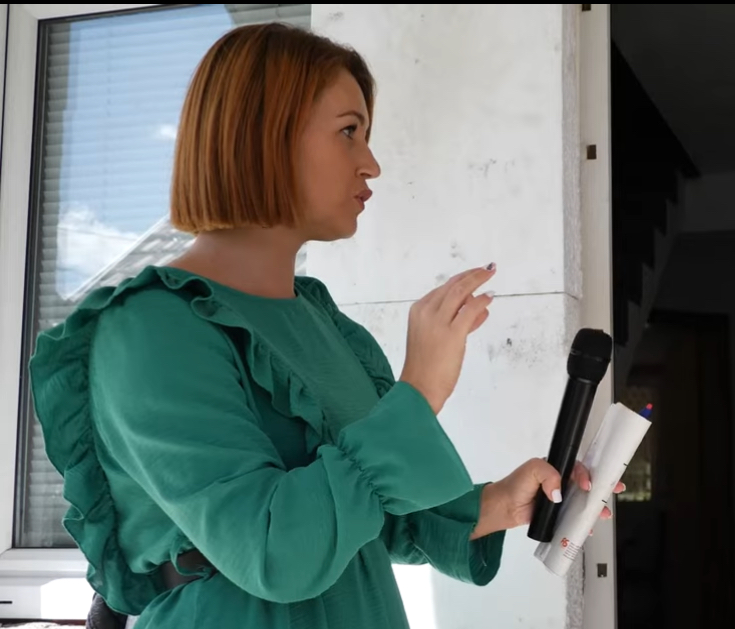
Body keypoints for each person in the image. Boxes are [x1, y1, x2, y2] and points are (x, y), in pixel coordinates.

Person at [28, 23, 620, 629]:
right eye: (348, 132)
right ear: (263, 135)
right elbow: (272, 551)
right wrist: (419, 392)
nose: (372, 165)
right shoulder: (151, 330)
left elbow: (370, 513)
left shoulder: (324, 324)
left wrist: (499, 502)